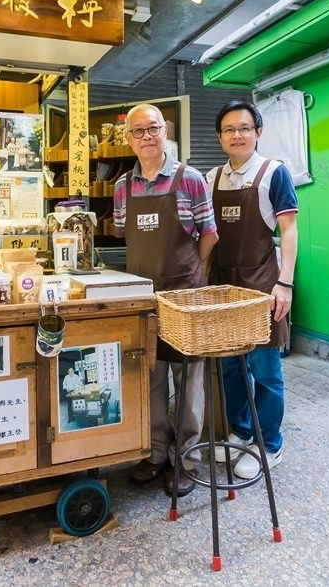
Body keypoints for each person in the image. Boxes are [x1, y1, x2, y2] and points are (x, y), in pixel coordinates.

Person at [113, 102, 219, 497]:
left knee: (188, 380)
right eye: (138, 131)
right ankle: (155, 452)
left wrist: (192, 274)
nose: (146, 137)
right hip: (144, 296)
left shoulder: (190, 179)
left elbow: (209, 234)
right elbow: (125, 235)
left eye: (153, 128)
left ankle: (186, 460)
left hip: (185, 294)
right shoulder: (122, 187)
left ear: (165, 132)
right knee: (151, 376)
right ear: (129, 139)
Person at [206, 101, 298, 479]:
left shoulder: (274, 172)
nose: (237, 135)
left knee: (265, 369)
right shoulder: (212, 177)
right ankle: (241, 431)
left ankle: (270, 443)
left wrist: (285, 283)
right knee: (230, 365)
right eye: (229, 129)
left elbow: (289, 230)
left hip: (262, 285)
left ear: (258, 132)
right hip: (223, 286)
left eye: (244, 128)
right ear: (220, 137)